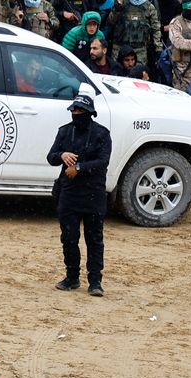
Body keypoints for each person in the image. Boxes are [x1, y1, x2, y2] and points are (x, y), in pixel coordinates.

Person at [46, 95, 112, 297]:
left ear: (90, 113)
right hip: (69, 193)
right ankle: (72, 277)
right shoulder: (65, 131)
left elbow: (103, 162)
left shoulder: (101, 134)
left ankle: (95, 281)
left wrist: (79, 168)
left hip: (93, 193)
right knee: (69, 238)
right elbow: (51, 157)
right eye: (73, 112)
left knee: (94, 239)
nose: (76, 115)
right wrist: (62, 155)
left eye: (80, 112)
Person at [107, 0, 162, 65]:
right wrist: (118, 7)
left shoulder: (149, 7)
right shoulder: (120, 3)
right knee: (117, 72)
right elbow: (110, 22)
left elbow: (156, 29)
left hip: (140, 50)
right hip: (119, 48)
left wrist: (158, 48)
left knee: (138, 73)